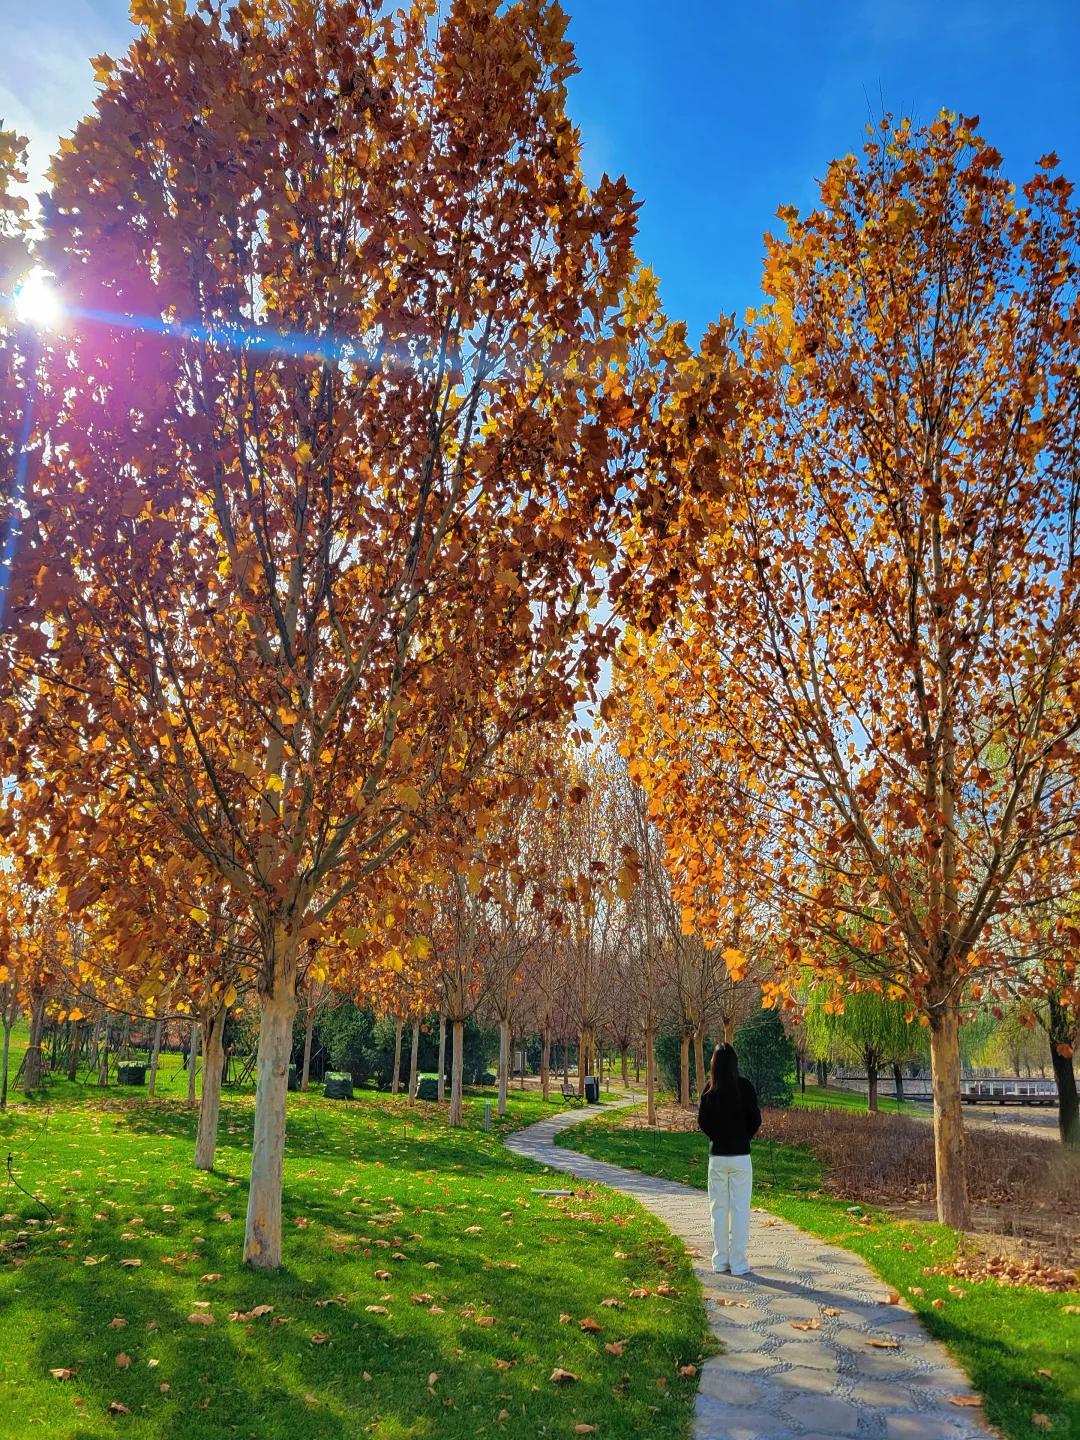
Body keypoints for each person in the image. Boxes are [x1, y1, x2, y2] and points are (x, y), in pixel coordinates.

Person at [697, 1042, 761, 1275]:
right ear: (735, 1062)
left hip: (718, 1156)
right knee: (740, 1210)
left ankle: (720, 1260)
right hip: (741, 1156)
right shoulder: (745, 1087)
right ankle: (739, 1263)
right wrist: (743, 1137)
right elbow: (755, 1119)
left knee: (718, 1210)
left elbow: (703, 1121)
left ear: (713, 1064)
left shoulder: (709, 1089)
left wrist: (717, 1137)